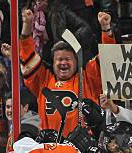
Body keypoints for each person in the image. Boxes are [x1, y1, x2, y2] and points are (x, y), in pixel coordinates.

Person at [19, 8, 113, 138]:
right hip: (49, 146)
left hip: (82, 149)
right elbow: (27, 57)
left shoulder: (87, 79)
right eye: (59, 59)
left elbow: (107, 58)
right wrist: (27, 27)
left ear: (76, 62)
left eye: (67, 59)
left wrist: (106, 28)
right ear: (52, 62)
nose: (63, 63)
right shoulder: (43, 79)